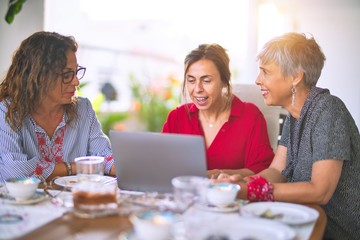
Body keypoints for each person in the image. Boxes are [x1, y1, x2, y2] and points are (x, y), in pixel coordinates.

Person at [218, 33, 360, 240]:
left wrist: (251, 191)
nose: (258, 81)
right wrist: (241, 183)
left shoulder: (329, 110)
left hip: (334, 230)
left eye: (265, 72)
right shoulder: (295, 115)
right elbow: (277, 170)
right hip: (301, 216)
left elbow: (320, 191)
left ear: (295, 76)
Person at [0, 31, 115, 183]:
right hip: (25, 205)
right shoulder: (8, 110)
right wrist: (74, 167)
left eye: (76, 72)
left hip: (72, 202)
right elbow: (15, 172)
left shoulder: (83, 108)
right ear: (39, 76)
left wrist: (124, 167)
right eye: (67, 75)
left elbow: (103, 156)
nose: (76, 82)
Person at [162, 43, 274, 179]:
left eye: (206, 81)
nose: (197, 89)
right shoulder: (177, 117)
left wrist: (223, 174)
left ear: (224, 80)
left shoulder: (250, 116)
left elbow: (262, 169)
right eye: (191, 81)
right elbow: (162, 163)